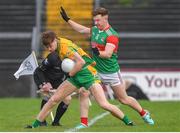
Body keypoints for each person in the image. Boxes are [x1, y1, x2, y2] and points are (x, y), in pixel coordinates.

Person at [60, 7, 154, 125]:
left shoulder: (112, 35)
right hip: (96, 70)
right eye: (95, 20)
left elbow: (108, 54)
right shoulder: (95, 30)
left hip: (111, 72)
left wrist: (97, 52)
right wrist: (68, 20)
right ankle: (83, 123)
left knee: (123, 99)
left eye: (98, 20)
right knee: (84, 91)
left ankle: (143, 113)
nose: (96, 23)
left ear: (106, 18)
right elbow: (81, 30)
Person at [28, 30, 133, 129]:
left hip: (88, 74)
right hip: (76, 76)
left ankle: (128, 121)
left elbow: (81, 62)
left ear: (55, 40)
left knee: (103, 104)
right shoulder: (59, 41)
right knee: (53, 99)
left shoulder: (65, 48)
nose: (49, 49)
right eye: (47, 47)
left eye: (50, 46)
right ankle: (35, 125)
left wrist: (70, 74)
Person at [27, 52, 90, 128]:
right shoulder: (53, 58)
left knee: (67, 99)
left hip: (59, 83)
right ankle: (41, 122)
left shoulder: (73, 65)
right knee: (48, 97)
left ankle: (56, 122)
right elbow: (38, 71)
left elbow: (71, 80)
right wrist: (44, 84)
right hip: (46, 81)